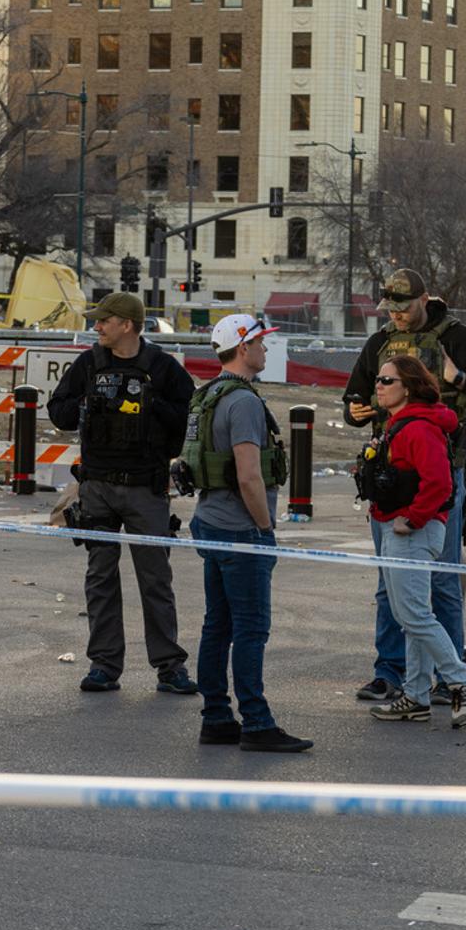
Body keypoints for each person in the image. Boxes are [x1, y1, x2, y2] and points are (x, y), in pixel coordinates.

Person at [343, 269, 466, 704]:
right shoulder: (379, 342)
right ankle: (389, 672)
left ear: (424, 300)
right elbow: (355, 397)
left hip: (439, 467)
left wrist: (460, 380)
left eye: (404, 308)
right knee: (389, 582)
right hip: (389, 473)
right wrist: (355, 412)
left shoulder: (456, 338)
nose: (397, 316)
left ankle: (445, 675)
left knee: (443, 579)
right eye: (391, 309)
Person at [48, 292, 198, 696]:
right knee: (100, 577)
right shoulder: (90, 364)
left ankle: (169, 667)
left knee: (155, 580)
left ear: (127, 325)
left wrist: (151, 404)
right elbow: (58, 412)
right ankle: (104, 665)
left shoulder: (162, 369)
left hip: (145, 489)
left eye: (104, 320)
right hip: (97, 486)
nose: (96, 327)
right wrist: (86, 402)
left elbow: (188, 422)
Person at [177, 314, 312, 753]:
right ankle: (256, 721)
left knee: (217, 625)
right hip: (241, 529)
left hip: (211, 522)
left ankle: (216, 717)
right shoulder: (244, 402)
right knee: (251, 629)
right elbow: (250, 475)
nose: (265, 350)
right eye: (260, 343)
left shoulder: (209, 395)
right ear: (242, 347)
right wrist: (265, 528)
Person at [358, 355, 466, 729]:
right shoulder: (403, 425)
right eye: (378, 379)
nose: (377, 385)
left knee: (414, 615)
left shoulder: (418, 429)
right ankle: (415, 695)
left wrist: (412, 519)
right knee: (410, 617)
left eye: (386, 380)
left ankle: (460, 681)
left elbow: (441, 483)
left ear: (408, 387)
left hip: (412, 532)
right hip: (403, 526)